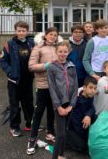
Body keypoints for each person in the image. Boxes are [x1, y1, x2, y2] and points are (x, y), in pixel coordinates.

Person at [26, 27, 63, 155]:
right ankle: (32, 139)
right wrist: (47, 65)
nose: (53, 37)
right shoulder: (38, 48)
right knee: (38, 112)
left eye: (55, 35)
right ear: (45, 35)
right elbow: (31, 66)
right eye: (51, 34)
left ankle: (50, 133)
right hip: (43, 85)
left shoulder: (58, 47)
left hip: (56, 86)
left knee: (52, 110)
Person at [0, 21, 34, 137]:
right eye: (19, 30)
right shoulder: (9, 44)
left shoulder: (31, 43)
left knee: (28, 103)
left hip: (28, 79)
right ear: (15, 31)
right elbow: (3, 61)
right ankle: (14, 126)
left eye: (23, 30)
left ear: (27, 31)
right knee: (14, 104)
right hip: (14, 81)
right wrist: (10, 72)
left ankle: (30, 123)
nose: (21, 33)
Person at [47, 41, 78, 159]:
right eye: (60, 51)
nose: (62, 54)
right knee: (60, 134)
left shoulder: (72, 66)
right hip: (59, 104)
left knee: (65, 131)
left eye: (65, 51)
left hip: (70, 104)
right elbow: (52, 88)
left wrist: (71, 105)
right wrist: (58, 106)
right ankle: (55, 157)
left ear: (69, 52)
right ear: (56, 52)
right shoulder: (51, 67)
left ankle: (61, 155)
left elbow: (75, 87)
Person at [67, 77, 98, 153]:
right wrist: (86, 137)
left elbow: (92, 108)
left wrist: (88, 115)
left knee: (95, 116)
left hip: (81, 124)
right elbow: (75, 122)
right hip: (72, 128)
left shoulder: (90, 95)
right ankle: (66, 140)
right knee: (83, 147)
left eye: (95, 88)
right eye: (91, 88)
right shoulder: (76, 100)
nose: (93, 91)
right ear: (84, 88)